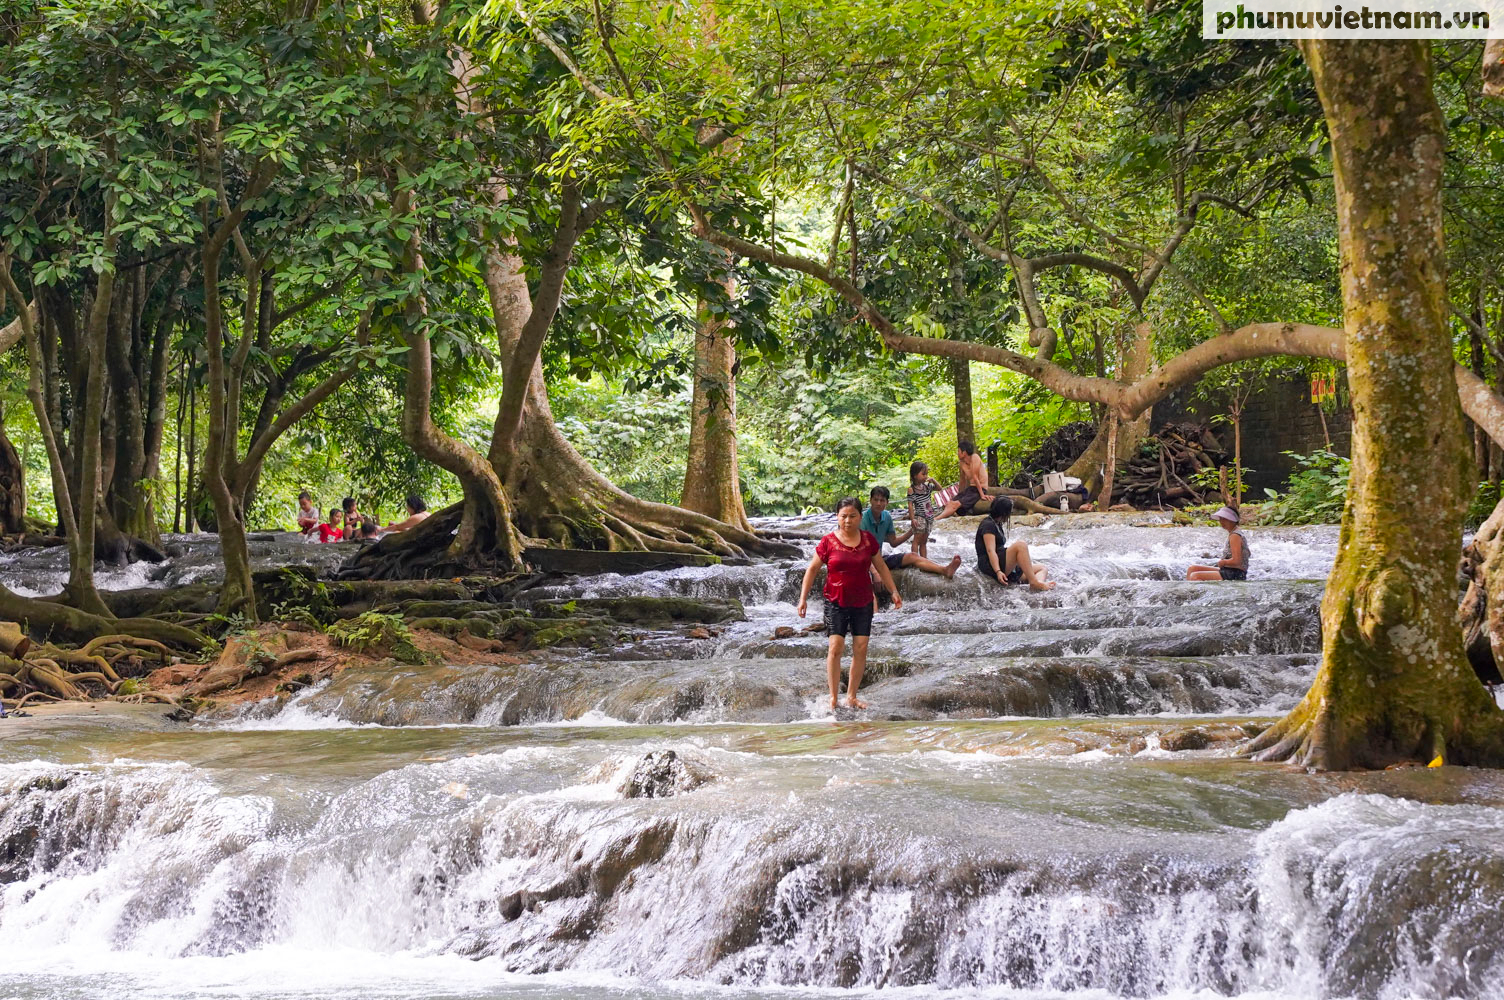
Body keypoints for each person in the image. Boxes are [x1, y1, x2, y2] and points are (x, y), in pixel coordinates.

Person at [796, 497, 903, 710]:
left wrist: (894, 591)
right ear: (837, 517)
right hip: (835, 600)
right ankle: (834, 697)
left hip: (862, 600)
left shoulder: (867, 540)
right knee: (836, 647)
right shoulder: (828, 541)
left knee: (861, 648)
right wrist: (803, 598)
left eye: (852, 516)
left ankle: (852, 696)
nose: (847, 521)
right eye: (843, 516)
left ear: (860, 517)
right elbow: (812, 569)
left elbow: (881, 566)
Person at [863, 485, 960, 579]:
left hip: (879, 560)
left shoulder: (887, 516)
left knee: (913, 556)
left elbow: (893, 543)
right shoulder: (862, 519)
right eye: (875, 500)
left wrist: (912, 531)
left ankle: (944, 570)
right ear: (870, 500)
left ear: (887, 502)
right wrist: (874, 571)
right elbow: (861, 551)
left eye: (882, 500)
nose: (878, 503)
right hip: (862, 561)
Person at [976, 496, 1054, 591]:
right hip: (990, 565)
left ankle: (1038, 584)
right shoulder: (988, 525)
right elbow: (990, 550)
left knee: (1042, 568)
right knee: (1020, 545)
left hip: (1002, 561)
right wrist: (998, 571)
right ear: (1004, 512)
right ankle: (1034, 582)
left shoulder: (996, 523)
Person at [1187, 506, 1251, 581]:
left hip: (1235, 574)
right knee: (1192, 569)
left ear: (1232, 520)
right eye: (1220, 519)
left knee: (1195, 576)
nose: (1221, 522)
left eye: (1225, 519)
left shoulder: (1235, 535)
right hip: (1230, 571)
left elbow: (1237, 561)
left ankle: (1197, 592)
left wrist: (1223, 562)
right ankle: (1190, 591)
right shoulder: (1234, 533)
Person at [937, 440, 988, 519]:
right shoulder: (962, 463)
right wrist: (959, 495)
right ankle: (950, 514)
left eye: (958, 451)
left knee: (955, 504)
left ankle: (936, 519)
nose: (957, 453)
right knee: (949, 503)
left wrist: (982, 495)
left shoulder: (975, 457)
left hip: (980, 489)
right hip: (971, 489)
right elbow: (962, 480)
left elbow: (975, 477)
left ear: (964, 453)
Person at [906, 462, 940, 559]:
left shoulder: (927, 486)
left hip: (929, 517)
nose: (926, 476)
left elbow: (939, 488)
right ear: (915, 475)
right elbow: (910, 505)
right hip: (920, 516)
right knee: (917, 540)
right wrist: (913, 519)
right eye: (923, 474)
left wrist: (933, 480)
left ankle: (924, 561)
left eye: (927, 474)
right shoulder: (912, 489)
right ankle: (915, 560)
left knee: (924, 541)